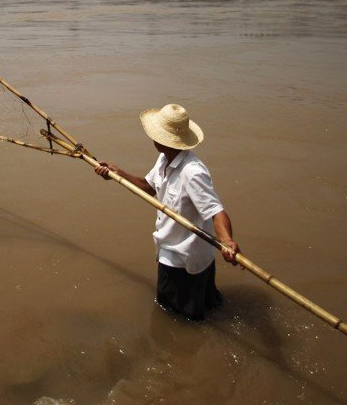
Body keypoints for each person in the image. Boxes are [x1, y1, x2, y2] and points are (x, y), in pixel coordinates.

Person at [94, 103, 240, 321]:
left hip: (184, 257)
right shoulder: (165, 159)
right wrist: (118, 173)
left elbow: (216, 211)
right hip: (172, 248)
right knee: (205, 307)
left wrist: (227, 241)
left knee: (179, 317)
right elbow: (148, 187)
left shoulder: (192, 172)